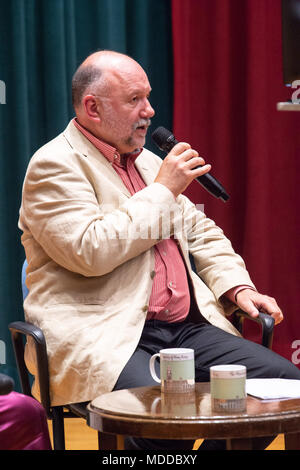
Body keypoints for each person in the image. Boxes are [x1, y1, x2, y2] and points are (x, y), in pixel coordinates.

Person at [19, 50, 300, 450]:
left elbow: (202, 233)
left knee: (284, 386)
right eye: (135, 100)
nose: (149, 111)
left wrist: (238, 288)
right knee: (163, 419)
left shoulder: (150, 163)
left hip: (187, 329)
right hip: (107, 334)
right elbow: (89, 251)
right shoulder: (53, 165)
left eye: (148, 97)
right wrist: (164, 190)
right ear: (92, 108)